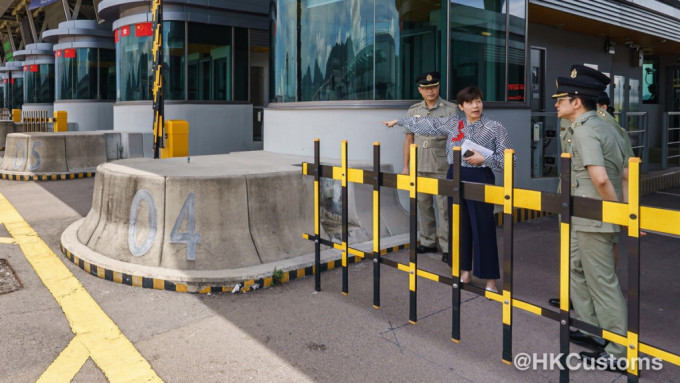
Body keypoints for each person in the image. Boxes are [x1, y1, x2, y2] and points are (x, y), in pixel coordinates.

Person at [383, 86, 512, 292]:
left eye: (478, 101)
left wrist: (484, 159)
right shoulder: (454, 123)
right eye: (469, 103)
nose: (475, 106)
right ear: (461, 107)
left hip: (480, 177)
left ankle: (489, 279)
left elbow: (509, 161)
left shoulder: (495, 127)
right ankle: (464, 271)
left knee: (483, 228)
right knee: (459, 226)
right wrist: (400, 121)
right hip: (455, 176)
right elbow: (427, 124)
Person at [552, 65, 629, 371]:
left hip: (593, 215)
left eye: (561, 99)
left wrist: (616, 211)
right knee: (576, 269)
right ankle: (591, 329)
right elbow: (625, 173)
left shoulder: (584, 129)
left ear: (577, 102)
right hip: (586, 214)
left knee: (601, 280)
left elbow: (599, 178)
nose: (556, 104)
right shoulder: (608, 125)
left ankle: (620, 350)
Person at [548, 90, 636, 312]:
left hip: (596, 203)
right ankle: (586, 316)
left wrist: (621, 212)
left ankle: (608, 334)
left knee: (599, 272)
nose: (557, 105)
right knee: (575, 262)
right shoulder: (575, 124)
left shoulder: (601, 126)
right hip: (576, 197)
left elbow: (621, 175)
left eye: (562, 99)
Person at [403, 72, 457, 263]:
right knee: (423, 204)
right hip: (419, 165)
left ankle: (448, 246)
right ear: (420, 90)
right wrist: (406, 166)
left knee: (444, 207)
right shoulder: (413, 111)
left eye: (433, 87)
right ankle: (427, 241)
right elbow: (409, 138)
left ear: (439, 87)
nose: (430, 91)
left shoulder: (450, 110)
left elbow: (456, 139)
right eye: (426, 88)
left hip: (441, 165)